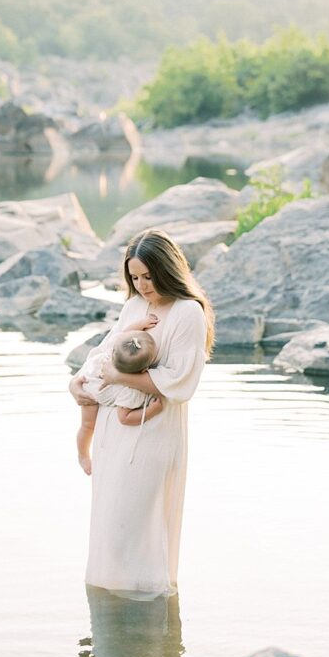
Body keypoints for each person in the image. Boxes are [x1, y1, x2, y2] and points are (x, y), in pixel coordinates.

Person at [68, 227, 215, 600]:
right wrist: (81, 381)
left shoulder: (187, 313)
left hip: (154, 428)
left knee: (138, 519)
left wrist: (120, 376)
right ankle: (109, 612)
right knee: (111, 519)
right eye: (135, 277)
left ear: (167, 270)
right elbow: (108, 349)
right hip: (113, 427)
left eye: (148, 276)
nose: (142, 285)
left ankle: (145, 613)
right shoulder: (134, 306)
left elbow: (180, 381)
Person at [76, 319, 165, 475]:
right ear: (144, 370)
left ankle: (82, 452)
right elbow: (124, 418)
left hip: (89, 373)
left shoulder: (114, 348)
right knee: (88, 425)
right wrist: (152, 410)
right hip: (90, 393)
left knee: (85, 426)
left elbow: (124, 333)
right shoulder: (129, 389)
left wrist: (140, 324)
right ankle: (83, 454)